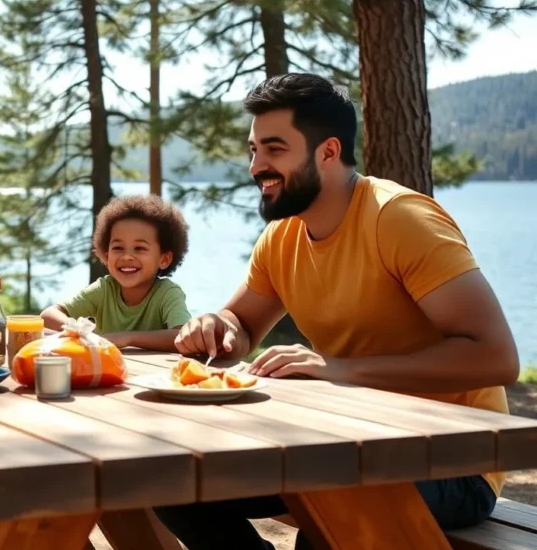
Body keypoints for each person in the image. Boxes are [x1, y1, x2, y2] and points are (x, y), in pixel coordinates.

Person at [157, 74, 520, 550]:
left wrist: (341, 371)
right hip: (340, 449)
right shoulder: (281, 238)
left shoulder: (400, 220)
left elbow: (496, 357)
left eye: (274, 150)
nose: (256, 167)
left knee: (331, 522)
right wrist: (215, 325)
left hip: (452, 463)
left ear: (327, 153)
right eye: (252, 151)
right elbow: (240, 326)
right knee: (173, 478)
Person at [41, 194, 192, 352]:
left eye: (139, 248)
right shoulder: (104, 289)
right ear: (107, 256)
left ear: (164, 259)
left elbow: (182, 336)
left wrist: (128, 338)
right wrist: (82, 333)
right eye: (118, 248)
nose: (126, 256)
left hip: (157, 374)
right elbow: (48, 315)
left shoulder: (167, 293)